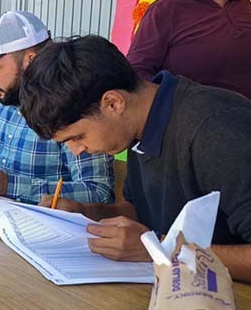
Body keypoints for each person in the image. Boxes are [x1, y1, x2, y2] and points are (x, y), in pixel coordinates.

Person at [19, 35, 251, 283]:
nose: (77, 150)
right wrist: (85, 212)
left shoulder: (215, 128)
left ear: (113, 103)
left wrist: (158, 249)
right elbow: (142, 211)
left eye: (78, 137)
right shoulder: (138, 125)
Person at [0, 11, 114, 204]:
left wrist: (9, 186)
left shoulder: (70, 106)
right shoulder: (6, 103)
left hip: (49, 230)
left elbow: (98, 192)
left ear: (30, 60)